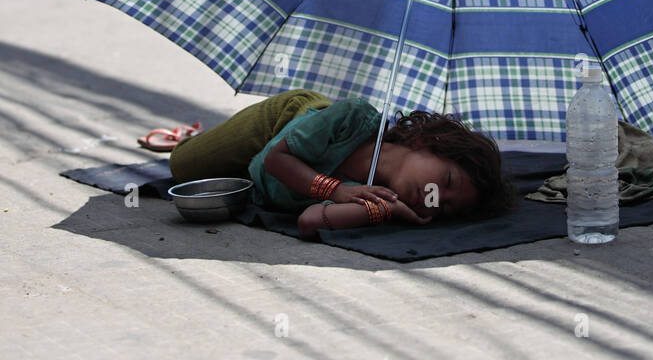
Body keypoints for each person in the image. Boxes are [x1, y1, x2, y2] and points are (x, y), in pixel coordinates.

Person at [164, 90, 514, 239]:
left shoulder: (382, 197)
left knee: (228, 189)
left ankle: (243, 175)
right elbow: (276, 159)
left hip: (267, 180)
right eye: (447, 181)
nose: (436, 197)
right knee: (183, 167)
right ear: (428, 142)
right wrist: (338, 189)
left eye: (447, 207)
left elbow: (309, 222)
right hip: (278, 130)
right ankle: (189, 135)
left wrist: (383, 211)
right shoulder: (352, 117)